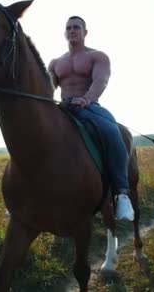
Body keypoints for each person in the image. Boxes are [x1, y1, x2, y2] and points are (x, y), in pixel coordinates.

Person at [48, 16, 134, 221]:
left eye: (76, 27)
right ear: (64, 32)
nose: (72, 30)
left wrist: (87, 99)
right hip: (63, 107)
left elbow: (101, 80)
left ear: (85, 32)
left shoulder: (97, 56)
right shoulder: (55, 62)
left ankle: (122, 194)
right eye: (68, 27)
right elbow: (47, 88)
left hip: (89, 107)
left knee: (112, 131)